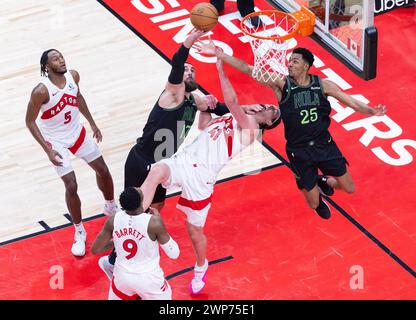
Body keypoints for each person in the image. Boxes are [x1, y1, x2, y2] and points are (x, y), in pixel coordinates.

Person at [98, 28, 263, 278]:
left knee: (157, 207)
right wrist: (190, 40)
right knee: (135, 213)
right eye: (187, 70)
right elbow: (176, 64)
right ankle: (114, 258)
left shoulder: (193, 100)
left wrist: (217, 106)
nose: (190, 71)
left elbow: (226, 111)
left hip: (165, 164)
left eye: (193, 70)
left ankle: (118, 254)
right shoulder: (173, 94)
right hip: (142, 159)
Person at [195, 42, 387, 219]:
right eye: (289, 61)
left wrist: (371, 111)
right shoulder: (282, 85)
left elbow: (352, 102)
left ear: (306, 66)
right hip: (298, 150)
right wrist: (218, 54)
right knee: (313, 204)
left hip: (323, 145)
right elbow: (247, 69)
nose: (289, 64)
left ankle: (324, 182)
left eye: (295, 61)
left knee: (349, 187)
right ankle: (307, 185)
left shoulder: (323, 85)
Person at [139, 58, 281, 294]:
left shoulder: (252, 129)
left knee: (194, 232)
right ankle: (136, 218)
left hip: (202, 179)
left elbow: (234, 102)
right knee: (156, 170)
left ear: (267, 122)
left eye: (271, 111)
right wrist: (206, 106)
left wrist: (220, 70)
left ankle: (201, 266)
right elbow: (205, 125)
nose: (267, 106)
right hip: (184, 162)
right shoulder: (234, 118)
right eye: (268, 104)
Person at [25, 49, 118, 257]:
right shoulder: (41, 90)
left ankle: (111, 207)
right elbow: (29, 121)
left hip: (77, 132)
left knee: (103, 170)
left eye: (61, 56)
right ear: (47, 67)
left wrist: (92, 123)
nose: (61, 60)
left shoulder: (73, 76)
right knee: (71, 184)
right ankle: (79, 230)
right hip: (55, 140)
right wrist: (47, 150)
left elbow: (79, 97)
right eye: (55, 59)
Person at [91, 187, 179, 300]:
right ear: (140, 200)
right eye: (138, 190)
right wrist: (161, 226)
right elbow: (174, 253)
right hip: (148, 279)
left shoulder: (113, 219)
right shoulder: (153, 222)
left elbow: (96, 249)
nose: (138, 187)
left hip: (122, 278)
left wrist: (117, 241)